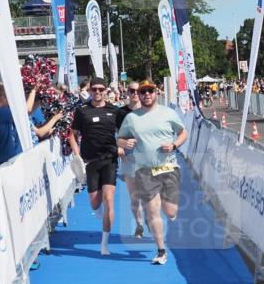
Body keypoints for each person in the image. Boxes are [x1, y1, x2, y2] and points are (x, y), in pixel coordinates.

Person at [117, 80, 187, 265]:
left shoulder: (168, 113)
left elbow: (183, 133)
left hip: (168, 167)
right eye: (143, 92)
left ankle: (168, 213)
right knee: (152, 210)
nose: (146, 94)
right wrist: (125, 144)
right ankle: (161, 251)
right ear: (138, 95)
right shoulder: (132, 118)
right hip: (144, 170)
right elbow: (119, 138)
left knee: (170, 211)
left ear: (156, 93)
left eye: (150, 91)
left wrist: (174, 145)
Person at [68, 77, 121, 255]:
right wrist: (77, 156)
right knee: (94, 203)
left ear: (106, 90)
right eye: (94, 90)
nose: (97, 92)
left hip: (110, 160)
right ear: (90, 91)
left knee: (109, 199)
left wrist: (122, 146)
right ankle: (98, 210)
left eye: (101, 89)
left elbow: (125, 133)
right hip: (90, 162)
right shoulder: (82, 111)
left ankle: (104, 243)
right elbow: (72, 135)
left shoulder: (114, 111)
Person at [116, 81, 144, 238]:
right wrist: (119, 147)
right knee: (134, 195)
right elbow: (116, 133)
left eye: (137, 91)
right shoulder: (120, 113)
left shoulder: (148, 110)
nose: (134, 93)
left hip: (147, 157)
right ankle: (139, 223)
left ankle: (152, 218)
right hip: (129, 156)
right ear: (127, 92)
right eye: (131, 91)